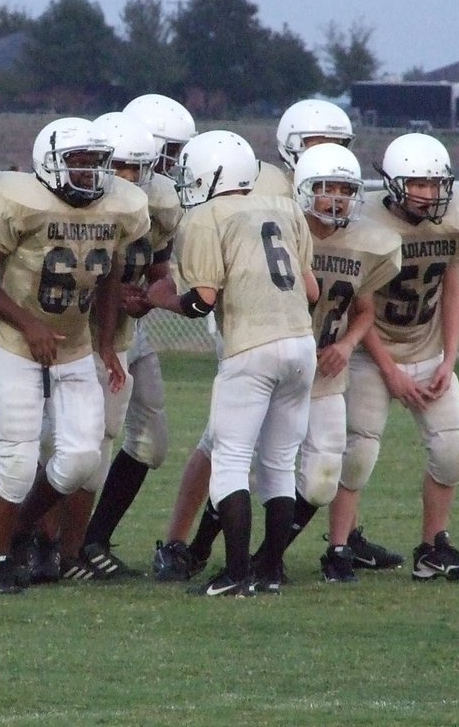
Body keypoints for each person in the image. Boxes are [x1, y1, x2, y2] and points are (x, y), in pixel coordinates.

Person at [0, 117, 149, 594]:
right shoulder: (20, 199)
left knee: (83, 458)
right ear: (50, 164)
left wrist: (105, 343)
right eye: (78, 162)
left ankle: (21, 530)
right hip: (13, 339)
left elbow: (108, 276)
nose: (89, 173)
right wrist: (28, 324)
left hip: (74, 345)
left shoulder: (120, 207)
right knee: (19, 456)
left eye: (95, 163)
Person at [144, 130, 318, 596]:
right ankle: (269, 573)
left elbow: (202, 301)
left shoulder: (206, 215)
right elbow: (313, 290)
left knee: (231, 462)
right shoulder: (285, 207)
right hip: (302, 343)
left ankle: (236, 575)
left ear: (210, 173)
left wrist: (160, 299)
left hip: (252, 347)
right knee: (280, 464)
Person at [329, 132, 459, 582]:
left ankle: (432, 549)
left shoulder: (454, 221)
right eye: (418, 183)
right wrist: (390, 372)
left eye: (435, 183)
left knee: (450, 451)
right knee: (358, 452)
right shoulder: (366, 222)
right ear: (395, 183)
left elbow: (451, 288)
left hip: (426, 347)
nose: (428, 193)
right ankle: (340, 548)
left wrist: (449, 358)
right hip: (370, 349)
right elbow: (357, 304)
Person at [64, 96, 192, 575]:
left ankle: (93, 538)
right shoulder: (88, 195)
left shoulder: (159, 199)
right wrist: (118, 295)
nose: (175, 164)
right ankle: (55, 544)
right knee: (83, 441)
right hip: (86, 330)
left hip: (130, 329)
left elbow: (159, 265)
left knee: (149, 441)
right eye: (171, 151)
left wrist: (153, 291)